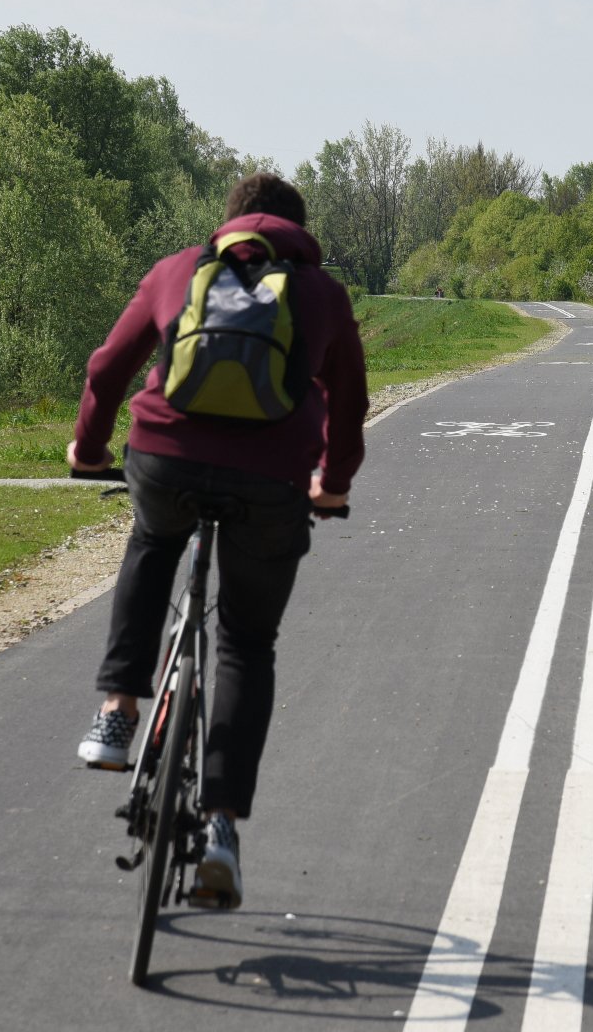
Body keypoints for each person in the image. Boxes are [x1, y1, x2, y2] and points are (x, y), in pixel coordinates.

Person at [66, 171, 366, 909]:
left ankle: (117, 714)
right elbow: (350, 402)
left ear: (230, 223)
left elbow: (108, 368)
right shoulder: (321, 294)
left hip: (165, 456)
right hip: (271, 482)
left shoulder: (177, 270)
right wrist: (333, 481)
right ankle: (223, 830)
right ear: (299, 231)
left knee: (152, 541)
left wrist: (88, 448)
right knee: (243, 643)